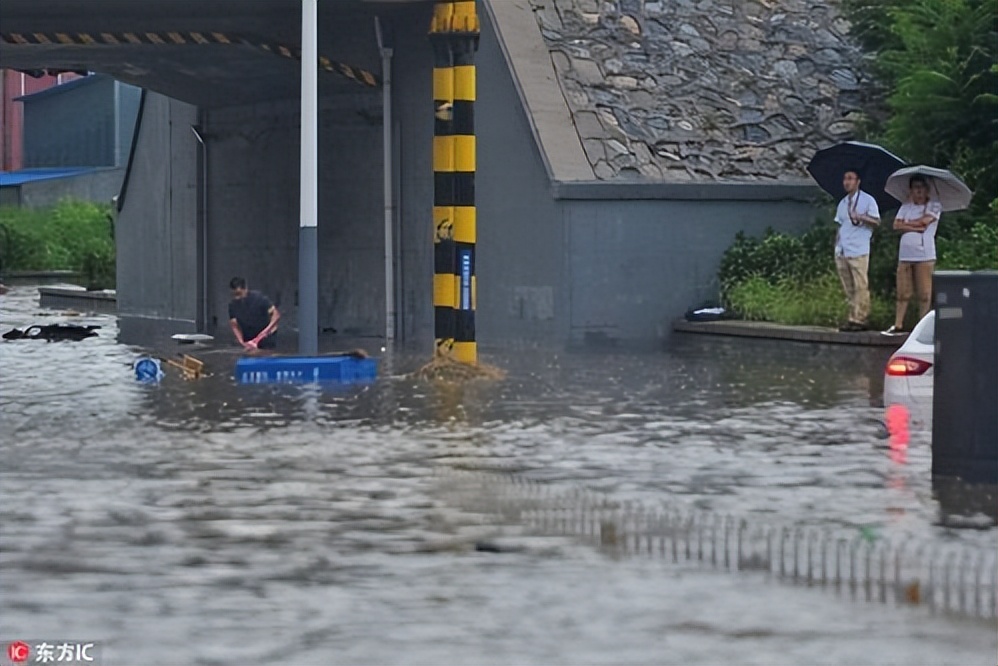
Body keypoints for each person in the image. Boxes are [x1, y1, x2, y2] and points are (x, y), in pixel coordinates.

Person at [882, 175, 942, 336]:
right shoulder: (906, 206)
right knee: (903, 291)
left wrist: (907, 225)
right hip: (905, 254)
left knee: (924, 293)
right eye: (916, 187)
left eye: (922, 187)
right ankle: (898, 324)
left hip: (924, 253)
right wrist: (913, 226)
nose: (919, 191)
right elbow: (896, 225)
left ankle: (923, 326)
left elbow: (925, 223)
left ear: (927, 190)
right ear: (911, 190)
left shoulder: (934, 205)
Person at [834, 168, 881, 332]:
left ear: (858, 181)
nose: (847, 182)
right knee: (848, 286)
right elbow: (840, 225)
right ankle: (852, 316)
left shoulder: (868, 200)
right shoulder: (843, 202)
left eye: (850, 178)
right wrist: (836, 246)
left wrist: (861, 217)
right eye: (845, 179)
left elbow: (876, 222)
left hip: (859, 248)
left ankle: (861, 318)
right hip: (843, 249)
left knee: (860, 284)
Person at [228, 277, 280, 350]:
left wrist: (266, 331)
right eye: (234, 295)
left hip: (266, 335)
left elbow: (276, 315)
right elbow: (234, 325)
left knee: (266, 354)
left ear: (245, 289)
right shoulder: (232, 305)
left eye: (239, 294)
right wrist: (241, 341)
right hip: (248, 336)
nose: (237, 298)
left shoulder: (258, 298)